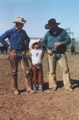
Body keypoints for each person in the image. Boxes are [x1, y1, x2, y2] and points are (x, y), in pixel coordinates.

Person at [0, 17, 33, 95]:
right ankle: (15, 88)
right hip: (14, 52)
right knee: (14, 72)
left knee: (27, 70)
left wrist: (26, 47)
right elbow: (1, 38)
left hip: (22, 52)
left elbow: (28, 39)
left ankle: (29, 87)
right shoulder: (10, 31)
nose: (23, 25)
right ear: (17, 24)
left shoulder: (23, 32)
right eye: (22, 24)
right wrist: (7, 45)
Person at [42, 18, 73, 91]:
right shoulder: (48, 33)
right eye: (50, 27)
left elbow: (68, 40)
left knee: (65, 69)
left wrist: (61, 43)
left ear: (56, 25)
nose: (52, 28)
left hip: (61, 53)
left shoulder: (63, 31)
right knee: (51, 70)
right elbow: (43, 43)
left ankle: (67, 86)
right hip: (51, 54)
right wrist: (47, 49)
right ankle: (53, 86)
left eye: (52, 27)